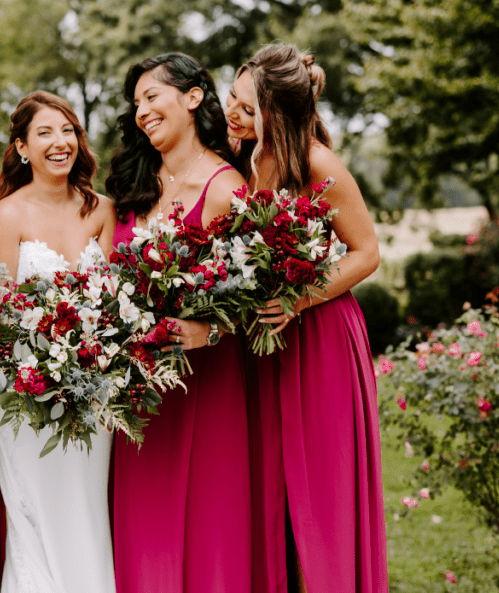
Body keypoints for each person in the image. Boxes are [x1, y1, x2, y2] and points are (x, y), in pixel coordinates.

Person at [226, 44, 387, 592]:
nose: (234, 114)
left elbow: (366, 253)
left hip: (320, 339)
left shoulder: (317, 164)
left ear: (278, 114)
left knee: (320, 490)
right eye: (232, 98)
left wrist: (297, 301)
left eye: (247, 108)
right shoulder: (241, 157)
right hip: (265, 341)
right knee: (272, 490)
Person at [105, 52, 253, 592]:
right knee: (142, 525)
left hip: (206, 384)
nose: (142, 111)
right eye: (136, 103)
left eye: (152, 97)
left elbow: (253, 297)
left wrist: (208, 331)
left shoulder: (226, 186)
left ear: (193, 97)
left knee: (209, 522)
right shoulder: (131, 182)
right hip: (135, 391)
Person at [0, 90, 117, 593]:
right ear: (21, 147)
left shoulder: (102, 209)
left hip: (93, 390)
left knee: (86, 508)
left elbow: (113, 302)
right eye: (45, 133)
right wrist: (41, 363)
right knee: (38, 518)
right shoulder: (7, 216)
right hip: (25, 393)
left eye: (68, 131)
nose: (60, 143)